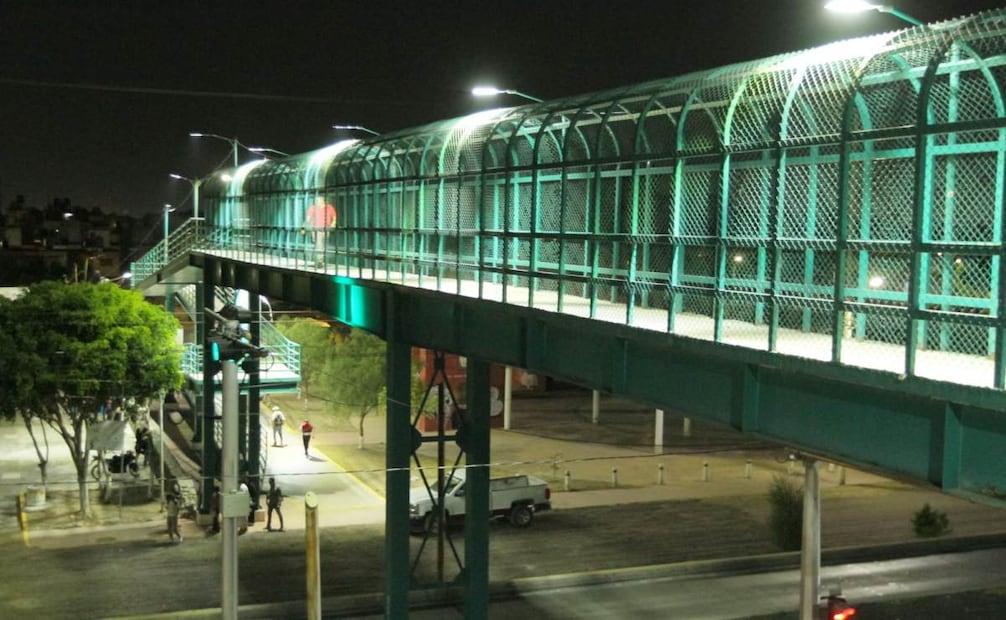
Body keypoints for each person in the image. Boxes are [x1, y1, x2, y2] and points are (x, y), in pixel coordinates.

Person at [300, 195, 337, 267]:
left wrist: (333, 224)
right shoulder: (313, 208)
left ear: (322, 201)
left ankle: (320, 260)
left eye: (318, 201)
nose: (316, 202)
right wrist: (303, 227)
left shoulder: (329, 208)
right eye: (316, 201)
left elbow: (334, 218)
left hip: (326, 229)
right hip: (316, 229)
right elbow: (307, 219)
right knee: (319, 244)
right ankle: (320, 261)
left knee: (321, 245)